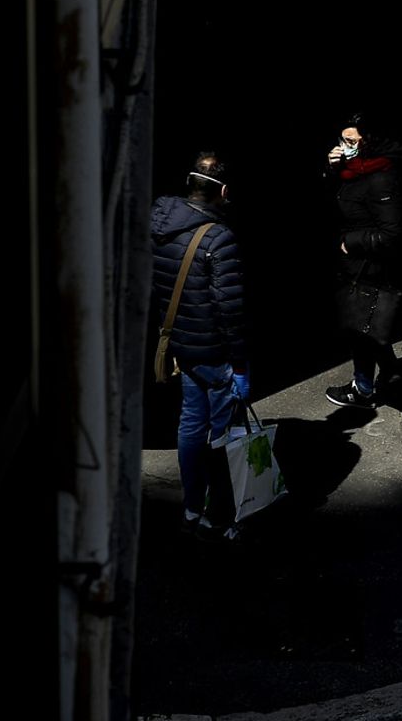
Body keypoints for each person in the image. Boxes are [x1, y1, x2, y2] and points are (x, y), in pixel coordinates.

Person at [150, 152, 252, 540]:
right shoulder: (218, 238)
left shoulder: (160, 225)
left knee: (191, 426)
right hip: (215, 353)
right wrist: (240, 366)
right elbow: (230, 309)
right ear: (223, 191)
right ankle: (221, 514)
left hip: (182, 346)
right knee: (224, 436)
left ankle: (193, 507)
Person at [324, 112, 402, 409]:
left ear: (369, 142)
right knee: (366, 324)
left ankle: (363, 389)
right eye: (343, 140)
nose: (346, 146)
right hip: (353, 263)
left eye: (352, 141)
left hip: (368, 265)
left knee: (361, 328)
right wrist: (331, 169)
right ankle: (391, 371)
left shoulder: (381, 176)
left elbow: (391, 233)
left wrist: (351, 242)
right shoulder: (352, 169)